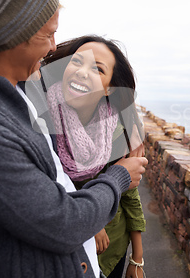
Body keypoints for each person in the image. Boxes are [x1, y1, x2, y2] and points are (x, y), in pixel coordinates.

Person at [0, 0, 147, 278]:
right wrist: (118, 177)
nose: (52, 48)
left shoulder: (22, 90)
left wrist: (131, 123)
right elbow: (63, 225)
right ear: (14, 34)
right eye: (49, 34)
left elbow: (105, 91)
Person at [39, 35, 146, 278]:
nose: (83, 72)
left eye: (98, 69)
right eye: (77, 61)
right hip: (72, 253)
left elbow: (130, 195)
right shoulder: (41, 118)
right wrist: (91, 222)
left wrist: (137, 258)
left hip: (114, 250)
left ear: (109, 87)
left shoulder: (117, 128)